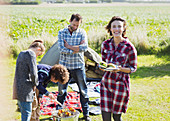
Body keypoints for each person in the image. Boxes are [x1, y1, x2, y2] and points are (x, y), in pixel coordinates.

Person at [99, 16, 137, 121]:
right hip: (106, 83)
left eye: (119, 26)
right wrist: (103, 67)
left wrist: (120, 69)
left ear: (124, 28)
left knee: (117, 117)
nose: (116, 29)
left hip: (120, 85)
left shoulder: (129, 47)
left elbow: (133, 68)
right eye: (114, 26)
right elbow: (104, 63)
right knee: (105, 117)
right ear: (110, 29)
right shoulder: (105, 45)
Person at [57, 13, 91, 121]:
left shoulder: (82, 32)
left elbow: (85, 48)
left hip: (78, 66)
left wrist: (69, 47)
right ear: (69, 21)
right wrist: (76, 49)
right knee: (62, 91)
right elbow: (61, 49)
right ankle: (58, 114)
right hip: (64, 67)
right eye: (74, 24)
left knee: (83, 91)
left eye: (78, 25)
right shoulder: (62, 32)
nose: (75, 27)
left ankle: (86, 114)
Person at [13, 40, 45, 121]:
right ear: (38, 49)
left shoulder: (21, 53)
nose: (37, 56)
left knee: (24, 112)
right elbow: (34, 73)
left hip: (17, 87)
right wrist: (36, 84)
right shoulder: (31, 54)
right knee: (27, 113)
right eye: (39, 55)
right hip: (26, 89)